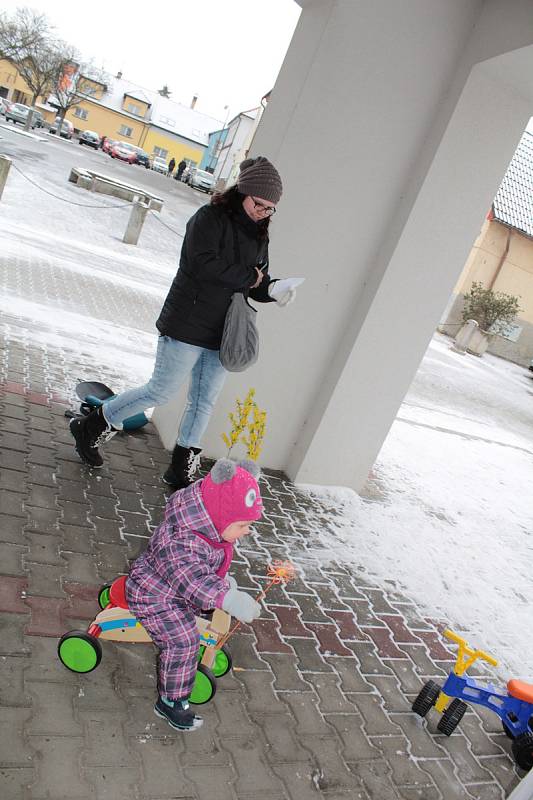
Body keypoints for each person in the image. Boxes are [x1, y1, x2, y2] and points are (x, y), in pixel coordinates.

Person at [70, 156, 298, 487]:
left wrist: (273, 289)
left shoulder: (260, 235)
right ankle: (93, 425)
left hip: (223, 331)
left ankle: (180, 466)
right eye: (258, 203)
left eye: (269, 208)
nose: (263, 212)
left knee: (204, 401)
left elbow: (255, 281)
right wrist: (251, 277)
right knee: (160, 391)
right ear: (242, 192)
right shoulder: (209, 218)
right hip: (188, 322)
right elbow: (202, 264)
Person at [126, 457, 263, 731]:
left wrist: (221, 586)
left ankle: (195, 660)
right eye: (242, 525)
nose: (246, 532)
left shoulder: (210, 529)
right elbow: (192, 579)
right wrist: (226, 597)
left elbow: (206, 568)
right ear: (218, 516)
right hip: (154, 595)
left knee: (205, 613)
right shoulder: (181, 541)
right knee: (184, 641)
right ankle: (171, 701)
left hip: (174, 589)